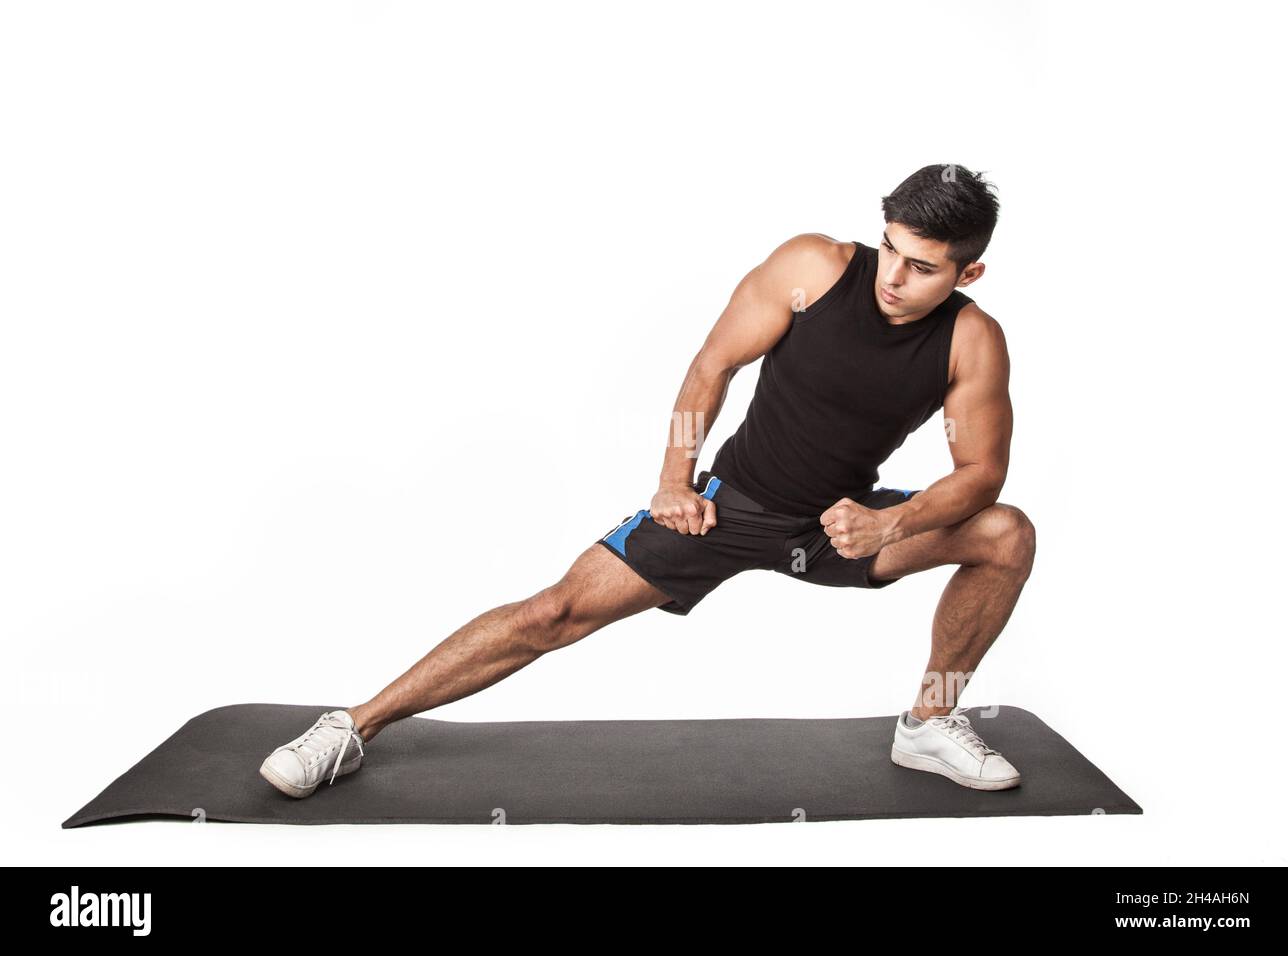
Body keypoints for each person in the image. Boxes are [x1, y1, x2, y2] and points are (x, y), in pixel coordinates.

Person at [259, 163, 1036, 799]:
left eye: (923, 265)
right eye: (890, 247)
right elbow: (714, 364)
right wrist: (675, 478)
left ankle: (929, 722)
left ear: (971, 270)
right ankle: (353, 728)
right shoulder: (814, 268)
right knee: (553, 611)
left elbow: (981, 475)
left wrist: (888, 525)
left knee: (1006, 534)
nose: (893, 276)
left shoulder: (971, 341)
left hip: (837, 527)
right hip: (725, 508)